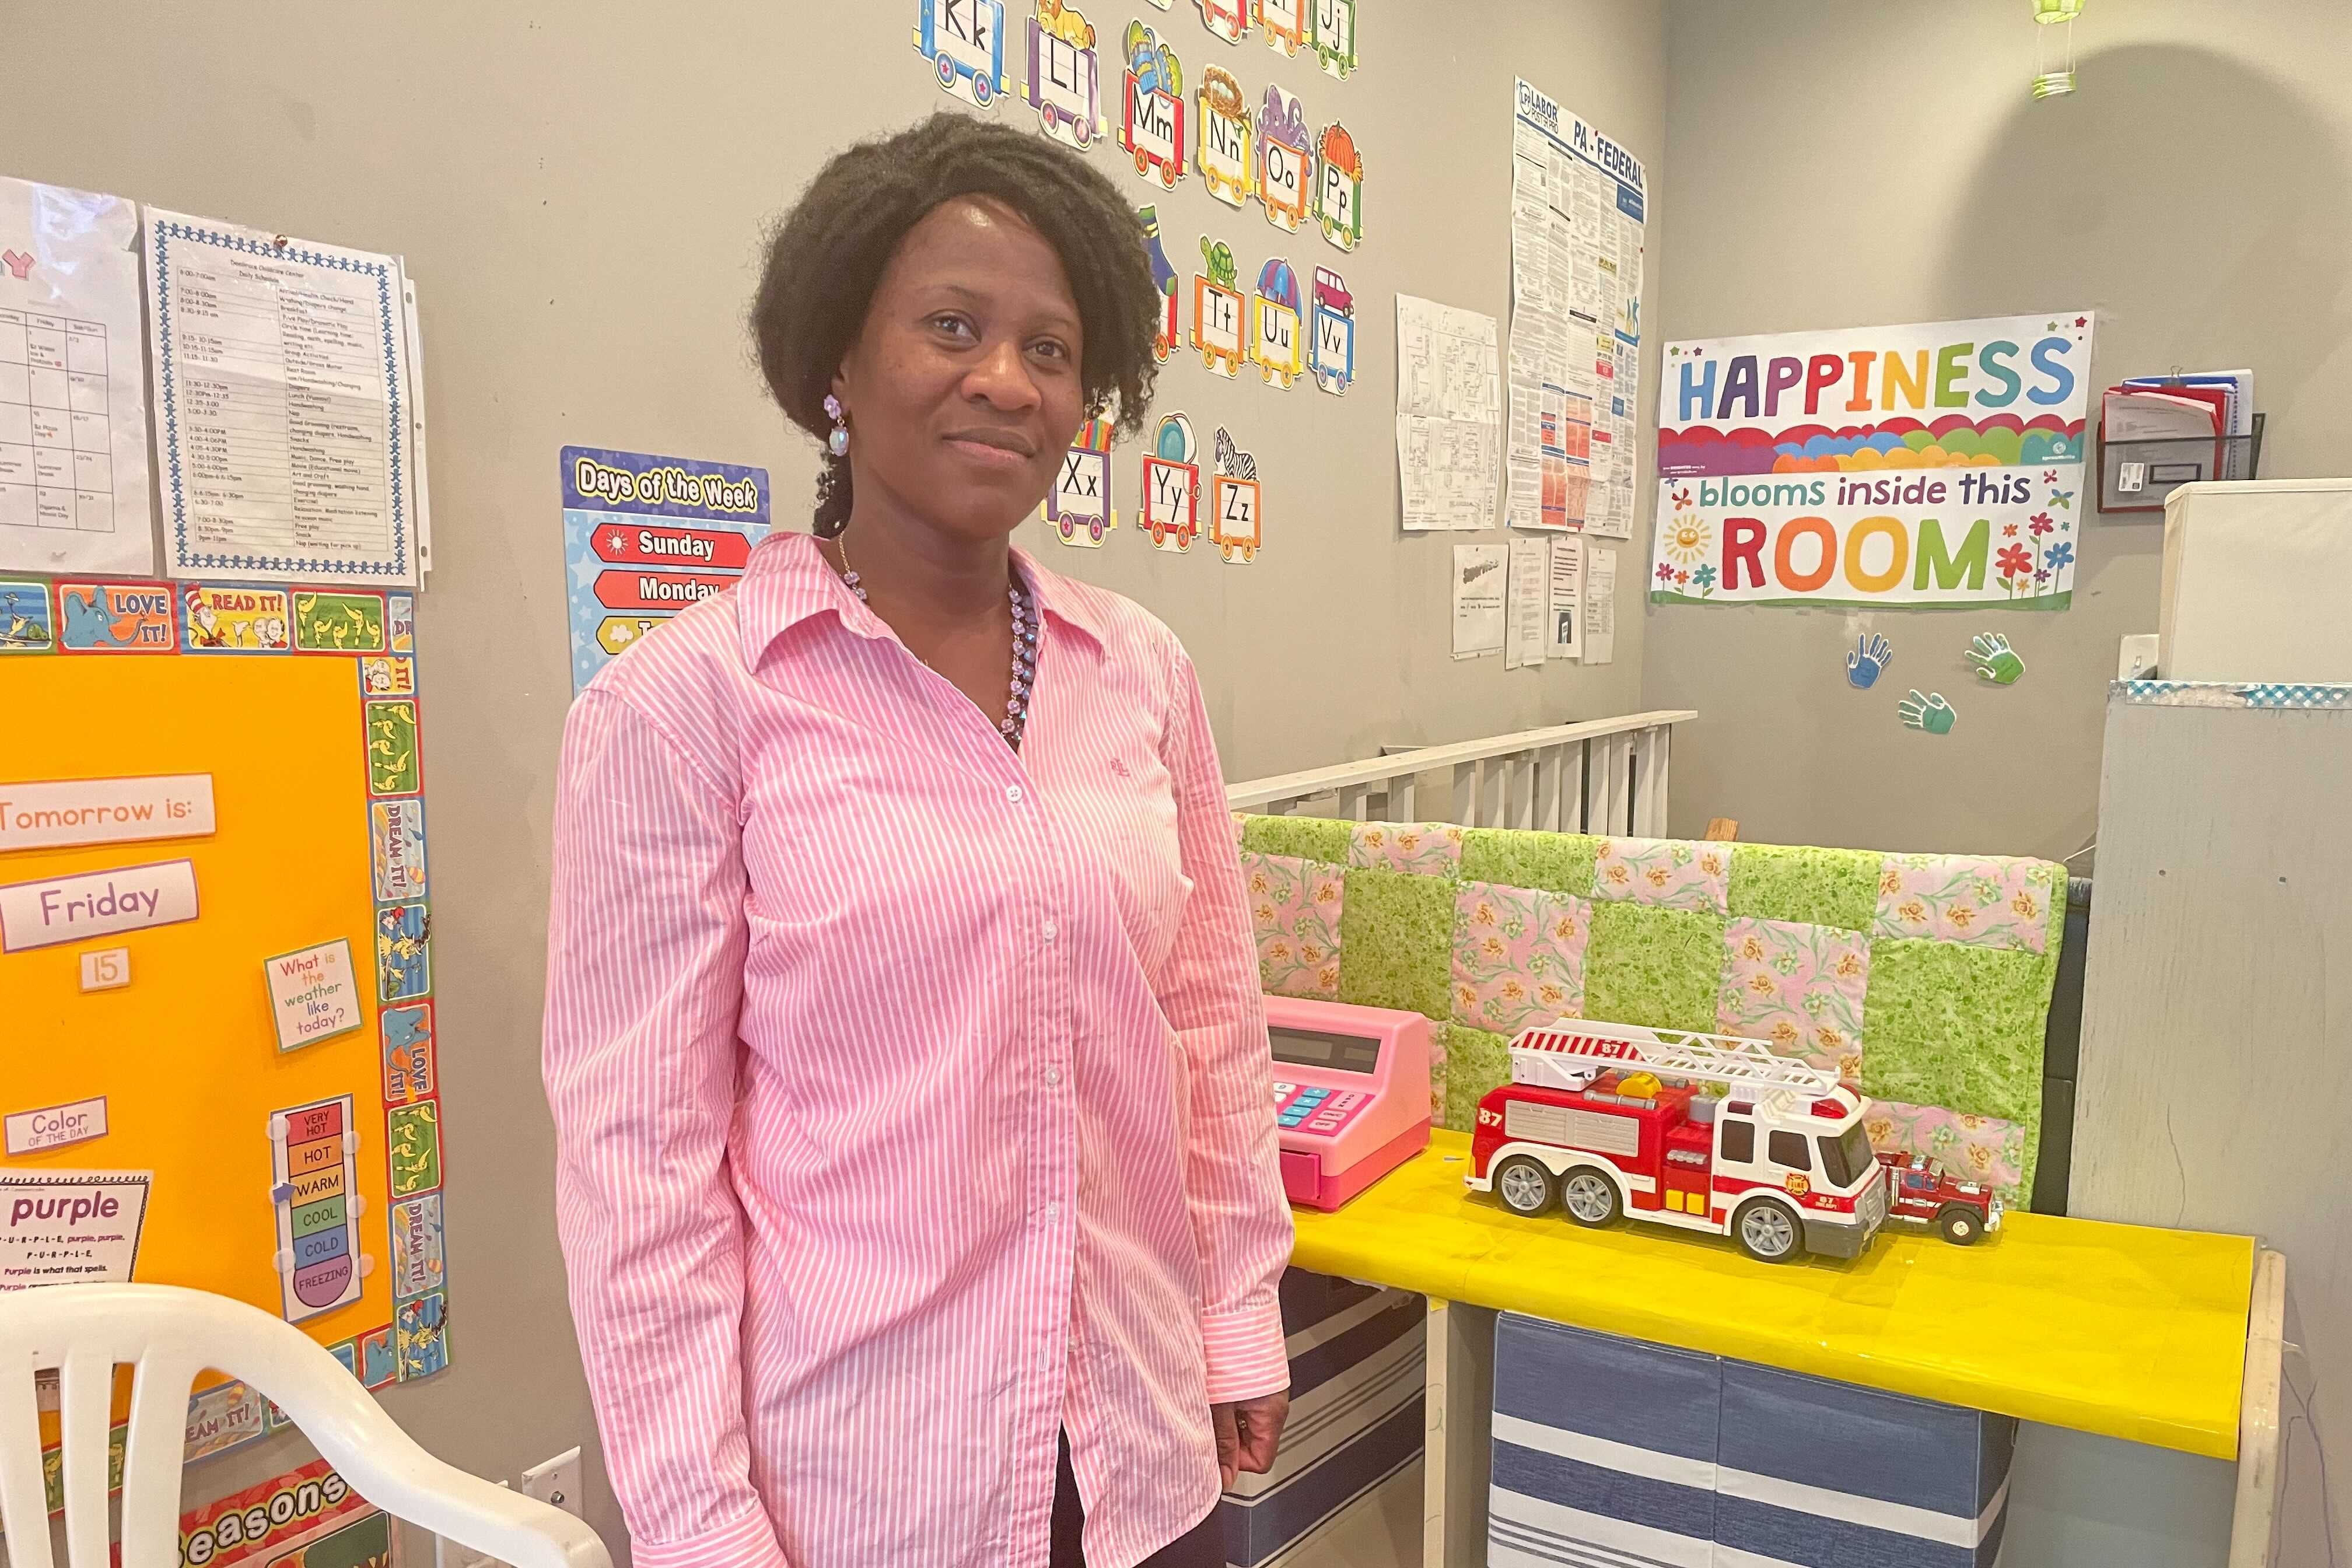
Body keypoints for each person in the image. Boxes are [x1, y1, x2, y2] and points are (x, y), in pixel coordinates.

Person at [542, 114, 1292, 1568]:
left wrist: (1236, 1316)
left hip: (1140, 1452)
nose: (1005, 381)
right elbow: (643, 1176)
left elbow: (1209, 1023)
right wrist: (701, 1533)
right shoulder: (686, 709)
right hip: (868, 1491)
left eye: (1053, 351)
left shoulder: (1139, 671)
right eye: (952, 326)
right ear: (837, 361)